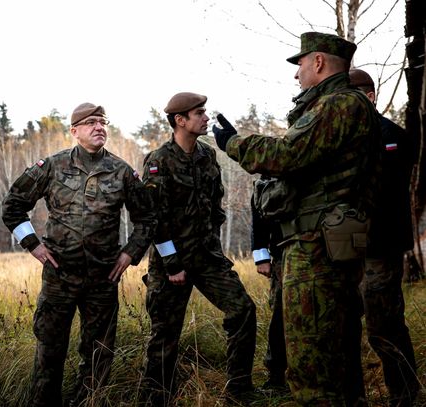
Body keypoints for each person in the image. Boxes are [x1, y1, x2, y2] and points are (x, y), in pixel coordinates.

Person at [212, 32, 381, 405]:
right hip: (322, 244)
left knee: (312, 366)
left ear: (318, 62)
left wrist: (234, 143)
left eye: (301, 64)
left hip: (316, 250)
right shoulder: (344, 105)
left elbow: (287, 155)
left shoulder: (339, 105)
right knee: (337, 361)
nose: (297, 74)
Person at [1, 103, 156, 407]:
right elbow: (13, 205)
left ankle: (88, 402)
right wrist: (32, 244)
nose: (99, 127)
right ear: (74, 131)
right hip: (59, 277)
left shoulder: (122, 171)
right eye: (90, 123)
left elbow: (148, 218)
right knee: (49, 352)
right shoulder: (52, 166)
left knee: (99, 355)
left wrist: (130, 254)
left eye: (102, 122)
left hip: (103, 279)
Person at [141, 92, 257, 405]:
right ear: (180, 120)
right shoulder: (158, 161)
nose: (206, 118)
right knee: (165, 334)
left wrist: (211, 245)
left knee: (243, 310)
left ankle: (240, 390)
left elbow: (215, 205)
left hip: (206, 257)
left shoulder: (207, 156)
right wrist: (172, 263)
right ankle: (157, 398)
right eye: (199, 113)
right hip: (171, 263)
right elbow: (152, 218)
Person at [349, 68, 419, 406]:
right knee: (345, 323)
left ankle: (404, 393)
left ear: (371, 95)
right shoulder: (342, 136)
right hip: (346, 247)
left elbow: (392, 191)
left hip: (382, 245)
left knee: (384, 324)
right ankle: (352, 396)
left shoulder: (393, 136)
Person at [250, 180, 287, 390]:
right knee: (280, 316)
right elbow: (259, 202)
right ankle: (276, 376)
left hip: (323, 248)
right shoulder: (273, 166)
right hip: (282, 253)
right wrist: (261, 255)